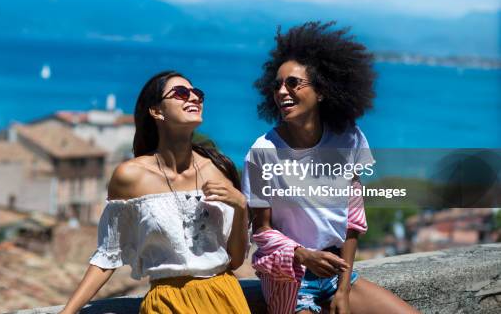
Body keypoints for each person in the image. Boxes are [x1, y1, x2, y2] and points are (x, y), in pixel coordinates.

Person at [243, 22, 419, 314]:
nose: (282, 91)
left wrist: (344, 288)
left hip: (338, 273)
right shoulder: (263, 152)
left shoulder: (348, 137)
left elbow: (353, 218)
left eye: (293, 83)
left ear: (322, 91)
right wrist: (303, 255)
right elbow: (261, 231)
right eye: (277, 85)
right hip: (290, 276)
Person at [61, 70, 251, 314]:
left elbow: (234, 260)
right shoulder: (130, 177)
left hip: (224, 298)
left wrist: (241, 206)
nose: (193, 98)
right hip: (167, 303)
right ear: (157, 111)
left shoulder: (218, 168)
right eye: (181, 93)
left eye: (197, 93)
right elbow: (107, 257)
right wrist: (67, 312)